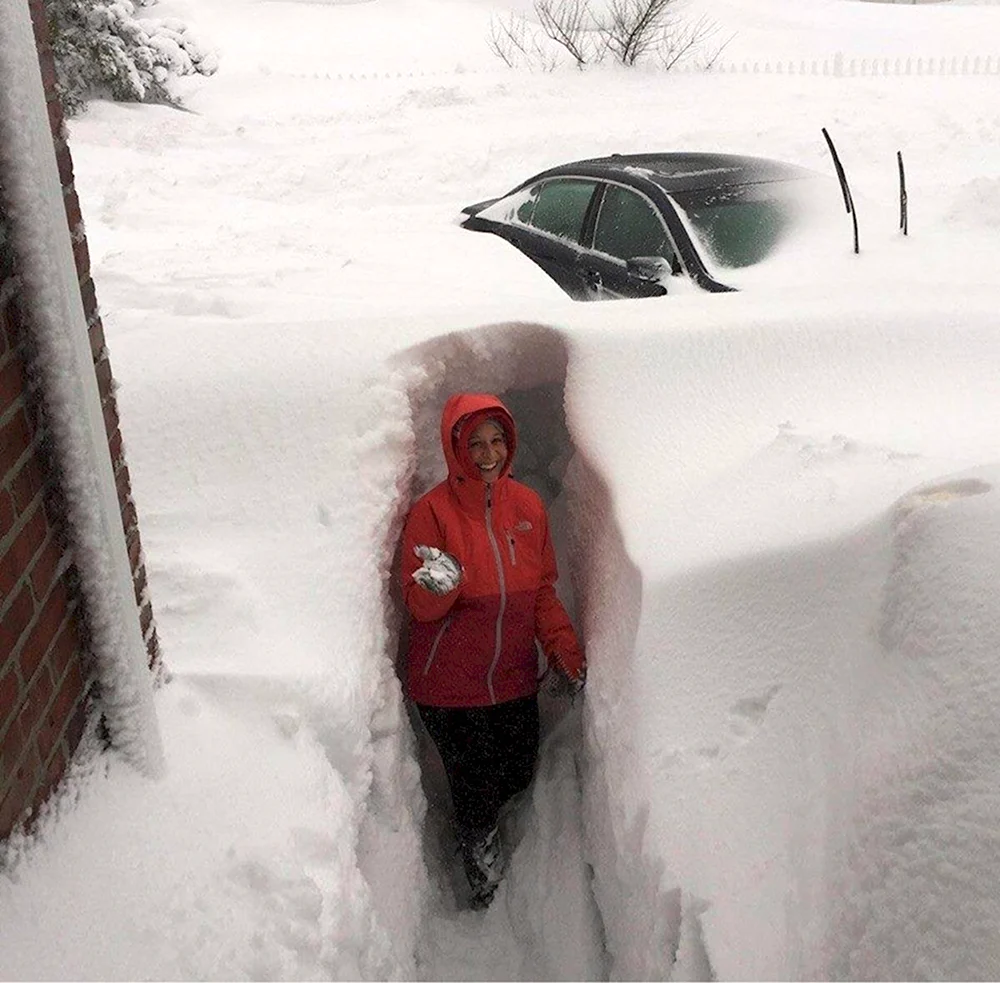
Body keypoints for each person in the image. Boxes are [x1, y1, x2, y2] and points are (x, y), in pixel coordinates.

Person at [400, 391, 586, 909]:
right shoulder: (431, 514)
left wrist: (562, 647)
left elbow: (542, 591)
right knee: (477, 787)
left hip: (512, 680)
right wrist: (441, 587)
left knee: (519, 772)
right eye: (475, 442)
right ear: (454, 447)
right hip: (449, 690)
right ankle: (486, 886)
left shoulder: (527, 507)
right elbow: (415, 603)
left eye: (497, 440)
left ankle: (511, 851)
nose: (488, 453)